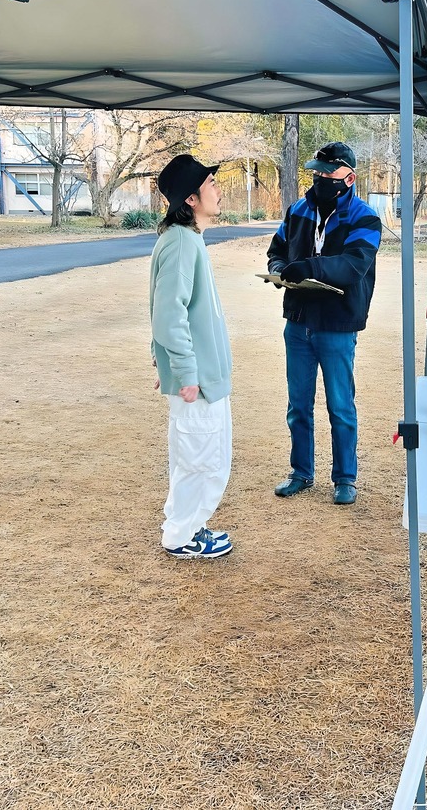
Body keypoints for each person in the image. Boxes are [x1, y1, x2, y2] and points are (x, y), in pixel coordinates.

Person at [266, 141, 381, 505]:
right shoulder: (298, 210)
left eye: (327, 173)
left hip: (337, 324)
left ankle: (345, 478)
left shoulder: (365, 218)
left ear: (349, 177)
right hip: (298, 323)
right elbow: (276, 250)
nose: (319, 178)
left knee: (340, 406)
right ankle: (301, 472)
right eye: (316, 172)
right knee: (298, 404)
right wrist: (277, 269)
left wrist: (310, 267)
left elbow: (353, 265)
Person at [150, 154, 234, 558]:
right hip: (196, 382)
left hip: (202, 377)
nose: (217, 188)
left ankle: (187, 528)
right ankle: (182, 536)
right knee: (203, 461)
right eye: (210, 184)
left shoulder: (187, 239)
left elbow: (166, 309)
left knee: (202, 458)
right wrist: (182, 371)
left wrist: (164, 362)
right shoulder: (181, 242)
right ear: (191, 199)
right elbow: (168, 316)